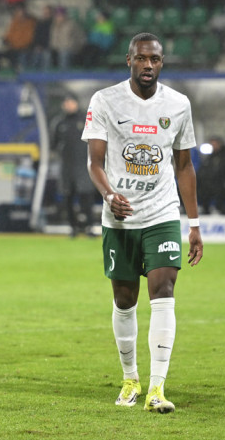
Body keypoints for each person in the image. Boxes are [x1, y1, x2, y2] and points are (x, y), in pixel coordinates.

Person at [80, 33, 203, 413]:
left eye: (155, 60)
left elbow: (184, 166)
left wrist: (194, 222)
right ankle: (130, 378)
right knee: (124, 298)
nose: (149, 65)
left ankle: (157, 389)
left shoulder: (178, 105)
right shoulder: (105, 100)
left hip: (163, 212)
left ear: (162, 63)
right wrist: (109, 196)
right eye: (142, 59)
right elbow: (94, 163)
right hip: (120, 216)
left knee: (163, 289)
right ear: (128, 61)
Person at [52, 95, 95, 236]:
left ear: (76, 104)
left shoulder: (85, 120)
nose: (69, 105)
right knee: (68, 197)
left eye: (71, 102)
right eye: (66, 102)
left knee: (86, 197)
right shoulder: (59, 123)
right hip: (67, 167)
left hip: (84, 165)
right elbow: (53, 144)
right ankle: (73, 227)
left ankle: (89, 226)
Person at [197, 136, 225, 214]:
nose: (213, 146)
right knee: (201, 188)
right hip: (210, 183)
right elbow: (203, 168)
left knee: (218, 191)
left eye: (215, 144)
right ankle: (205, 210)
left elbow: (223, 171)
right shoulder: (210, 156)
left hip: (221, 183)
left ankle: (221, 210)